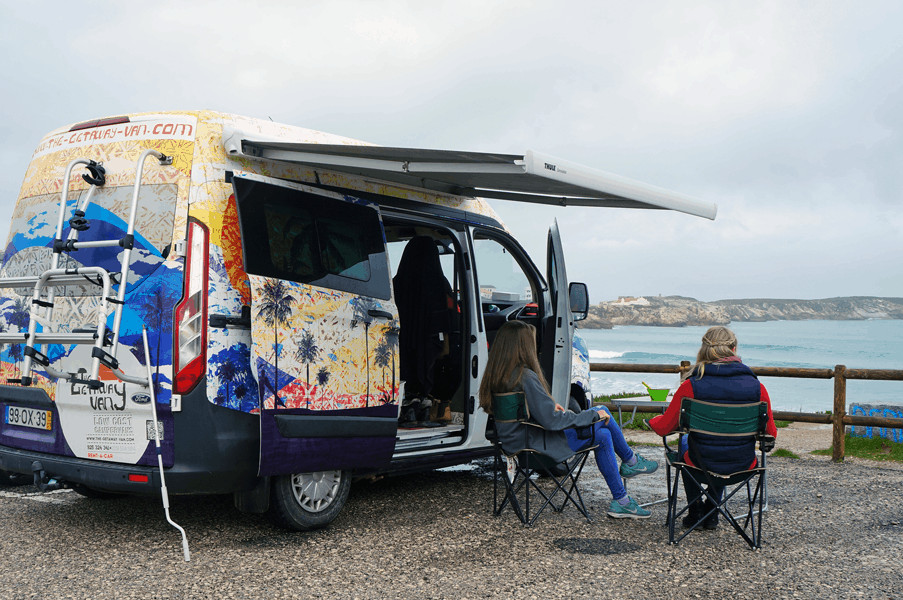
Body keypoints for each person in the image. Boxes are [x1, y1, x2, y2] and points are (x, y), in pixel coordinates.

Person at [479, 320, 659, 519]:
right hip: (537, 447)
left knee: (603, 434)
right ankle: (630, 464)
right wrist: (592, 415)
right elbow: (553, 422)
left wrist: (547, 406)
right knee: (600, 412)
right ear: (522, 347)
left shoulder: (496, 377)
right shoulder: (525, 377)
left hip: (513, 445)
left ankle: (623, 499)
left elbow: (522, 414)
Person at [648, 326, 777, 530]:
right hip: (742, 464)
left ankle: (695, 509)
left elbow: (664, 428)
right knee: (721, 446)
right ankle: (712, 510)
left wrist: (654, 420)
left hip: (700, 463)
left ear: (704, 350)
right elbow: (771, 432)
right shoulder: (757, 387)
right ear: (734, 349)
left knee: (687, 444)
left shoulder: (691, 385)